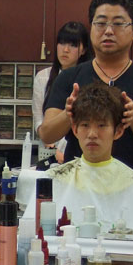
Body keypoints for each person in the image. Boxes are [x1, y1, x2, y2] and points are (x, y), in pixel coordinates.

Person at [39, 0, 133, 178]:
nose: (108, 31)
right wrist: (68, 114)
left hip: (130, 185)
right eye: (101, 23)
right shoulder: (69, 78)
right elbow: (46, 134)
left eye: (118, 24)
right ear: (92, 27)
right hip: (78, 184)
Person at [45, 83, 133, 238]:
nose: (92, 134)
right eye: (85, 125)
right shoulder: (53, 179)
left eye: (101, 125)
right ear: (75, 130)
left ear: (118, 131)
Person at [32, 21, 91, 162]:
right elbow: (38, 118)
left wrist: (63, 147)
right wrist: (47, 136)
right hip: (48, 149)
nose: (65, 50)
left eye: (73, 45)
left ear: (83, 50)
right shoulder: (43, 77)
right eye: (62, 43)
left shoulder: (89, 78)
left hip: (80, 150)